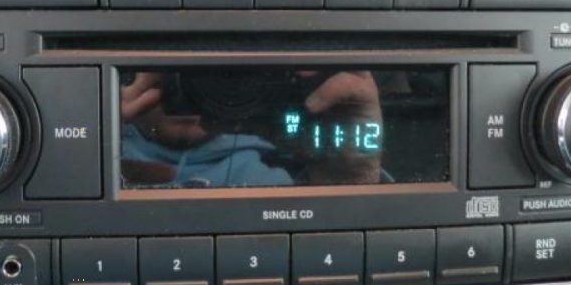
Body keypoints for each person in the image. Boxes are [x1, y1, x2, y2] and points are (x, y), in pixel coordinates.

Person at [119, 70, 383, 188]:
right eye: (179, 69)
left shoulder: (282, 174)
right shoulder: (104, 151)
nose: (201, 87)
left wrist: (351, 180)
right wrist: (100, 127)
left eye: (223, 73)